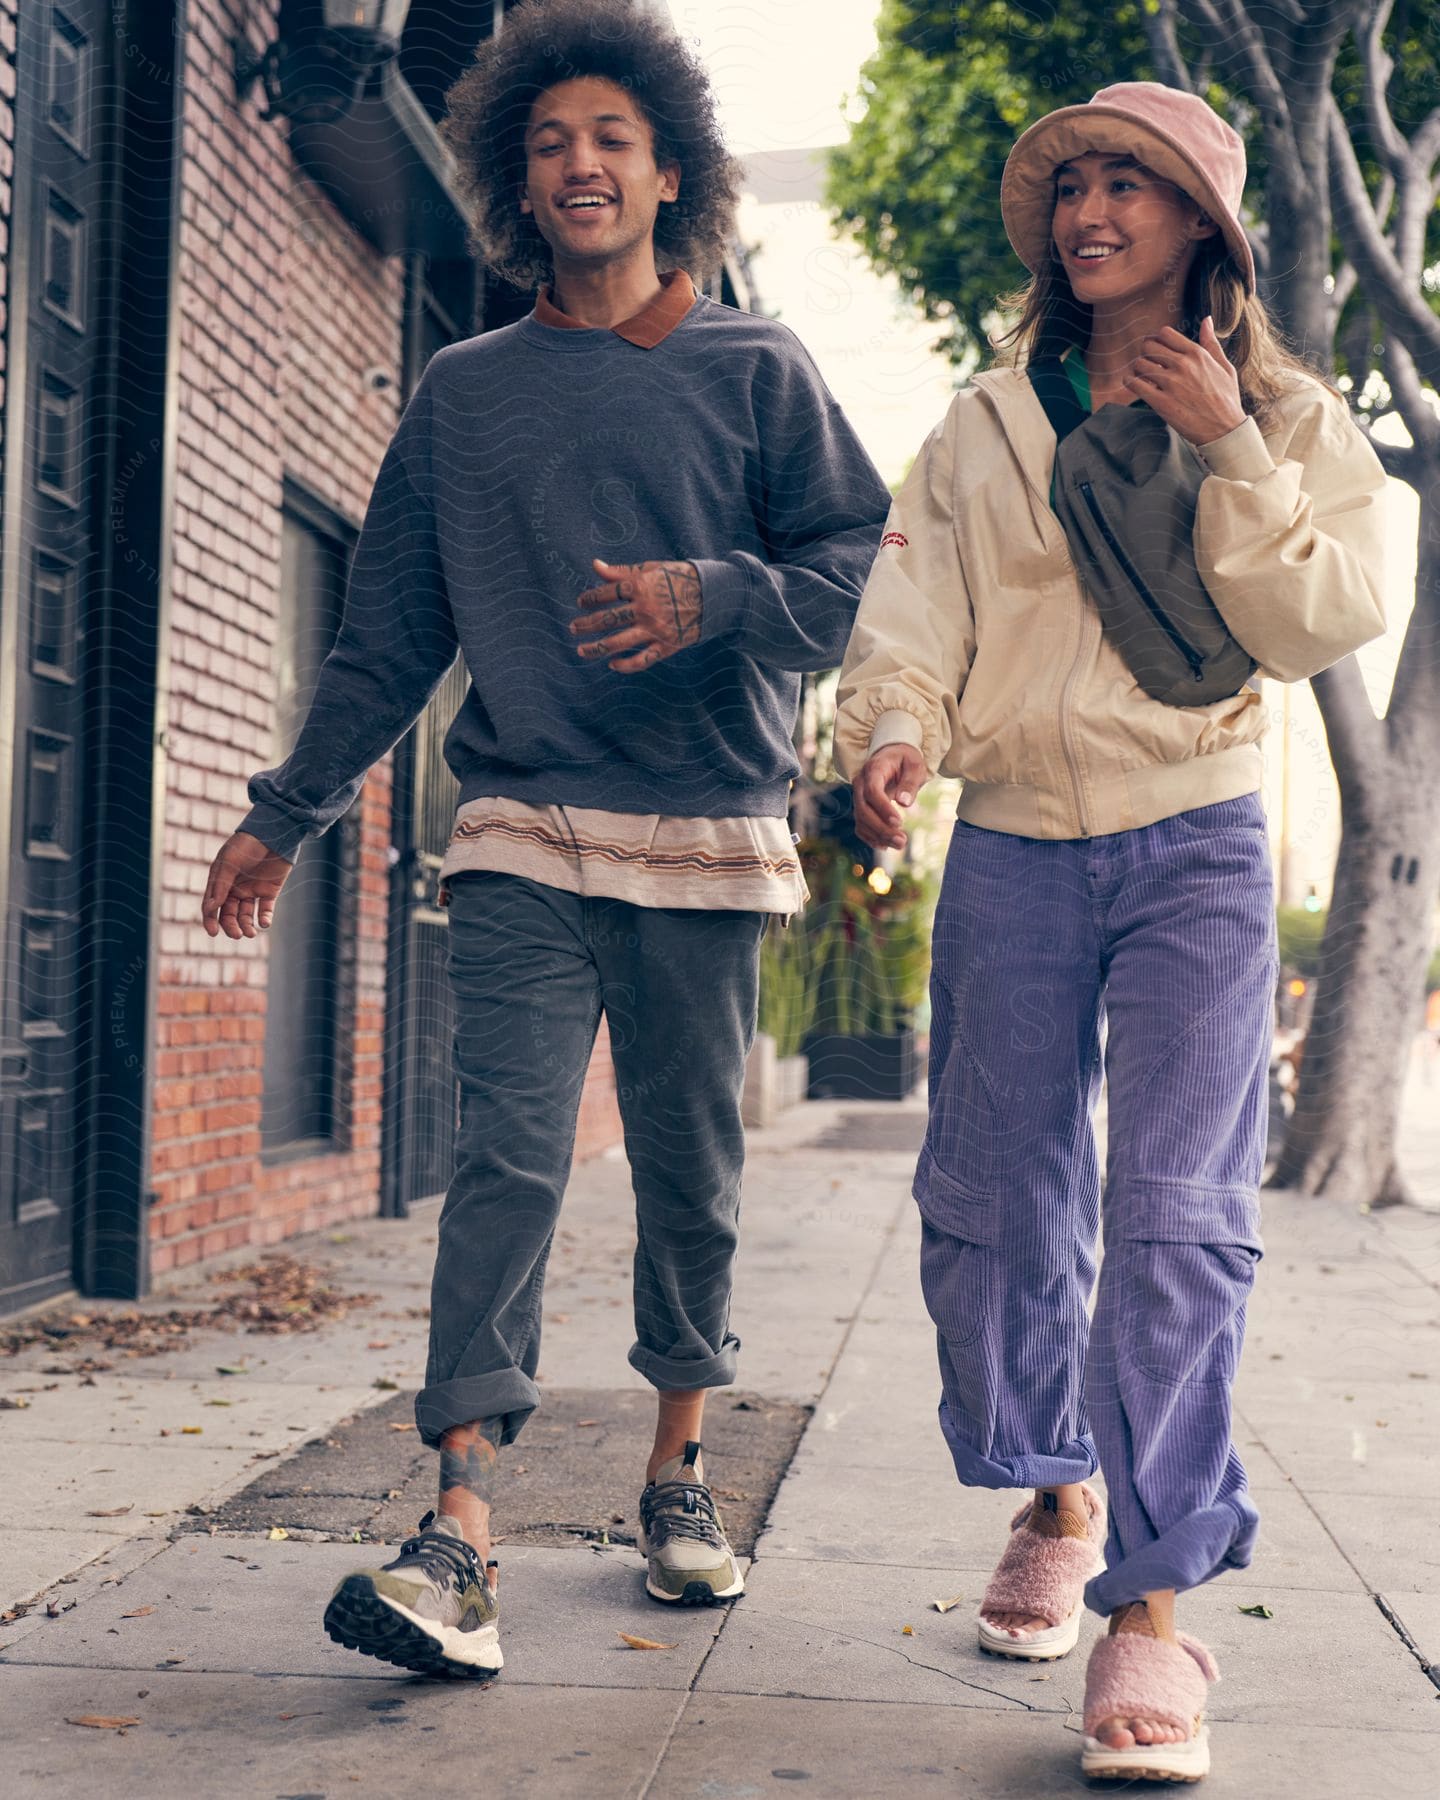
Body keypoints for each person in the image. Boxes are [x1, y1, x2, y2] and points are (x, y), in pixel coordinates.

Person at [201, 0, 890, 1681]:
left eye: (611, 139)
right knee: (503, 1161)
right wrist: (284, 811)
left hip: (707, 840)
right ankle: (460, 1525)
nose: (578, 164)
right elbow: (387, 634)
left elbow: (864, 573)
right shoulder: (465, 390)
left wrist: (715, 595)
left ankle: (677, 1473)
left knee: (686, 1173)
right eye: (548, 143)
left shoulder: (756, 369)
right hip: (519, 826)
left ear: (670, 172)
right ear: (521, 184)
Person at [834, 82, 1386, 1784]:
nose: (1089, 210)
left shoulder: (1290, 413)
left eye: (1128, 184)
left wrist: (1228, 440)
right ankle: (1063, 1493)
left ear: (1203, 223)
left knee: (1176, 1223)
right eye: (1069, 185)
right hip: (1009, 841)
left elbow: (1327, 615)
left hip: (1198, 841)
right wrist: (892, 732)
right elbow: (912, 605)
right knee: (997, 1202)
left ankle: (1152, 1614)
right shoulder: (985, 418)